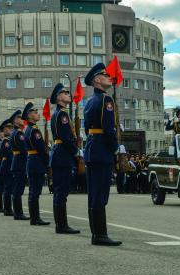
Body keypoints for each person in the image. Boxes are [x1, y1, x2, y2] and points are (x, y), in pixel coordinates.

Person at [84, 63, 124, 246]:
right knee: (100, 194)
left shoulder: (90, 101)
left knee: (94, 193)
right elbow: (109, 130)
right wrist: (115, 148)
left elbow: (87, 128)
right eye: (105, 75)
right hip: (102, 151)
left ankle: (96, 234)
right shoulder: (106, 100)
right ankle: (100, 235)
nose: (109, 77)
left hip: (93, 149)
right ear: (97, 80)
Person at [49, 83, 81, 234]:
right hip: (62, 155)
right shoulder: (61, 115)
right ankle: (62, 225)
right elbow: (66, 137)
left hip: (60, 155)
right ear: (58, 97)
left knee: (60, 192)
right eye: (65, 92)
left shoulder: (60, 113)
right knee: (61, 192)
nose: (69, 94)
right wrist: (76, 152)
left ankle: (61, 224)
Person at [23, 102, 50, 226]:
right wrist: (47, 163)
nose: (37, 114)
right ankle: (35, 218)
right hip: (37, 162)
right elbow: (42, 150)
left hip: (32, 161)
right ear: (29, 116)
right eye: (34, 112)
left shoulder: (28, 129)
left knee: (33, 191)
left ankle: (34, 217)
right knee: (35, 191)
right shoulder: (34, 131)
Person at [8, 110, 30, 220]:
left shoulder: (14, 133)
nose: (23, 120)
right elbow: (24, 149)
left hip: (17, 162)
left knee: (17, 189)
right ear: (16, 121)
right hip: (19, 163)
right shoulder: (19, 133)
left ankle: (17, 212)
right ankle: (18, 213)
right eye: (20, 118)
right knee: (18, 189)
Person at [0, 119, 15, 216]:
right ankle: (8, 209)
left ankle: (8, 208)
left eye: (11, 127)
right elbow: (9, 154)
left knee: (9, 188)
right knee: (8, 188)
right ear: (4, 130)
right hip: (7, 166)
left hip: (8, 165)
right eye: (8, 127)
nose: (10, 129)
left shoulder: (8, 140)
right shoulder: (6, 141)